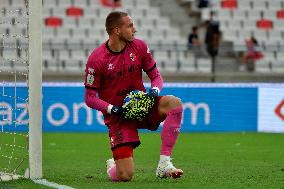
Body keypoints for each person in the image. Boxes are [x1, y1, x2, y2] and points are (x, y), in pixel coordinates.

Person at [84, 11, 184, 182]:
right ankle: (113, 165)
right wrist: (113, 109)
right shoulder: (96, 59)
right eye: (130, 25)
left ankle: (164, 164)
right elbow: (90, 97)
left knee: (174, 104)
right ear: (116, 30)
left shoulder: (139, 46)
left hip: (142, 105)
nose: (134, 29)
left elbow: (156, 77)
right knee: (125, 176)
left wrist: (154, 92)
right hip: (118, 117)